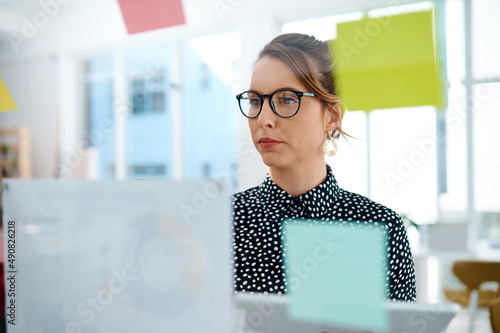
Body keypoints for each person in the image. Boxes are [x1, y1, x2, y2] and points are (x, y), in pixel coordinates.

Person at [231, 33, 416, 302]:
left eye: (287, 99)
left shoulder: (378, 227)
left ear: (331, 116)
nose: (264, 119)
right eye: (255, 101)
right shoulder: (222, 223)